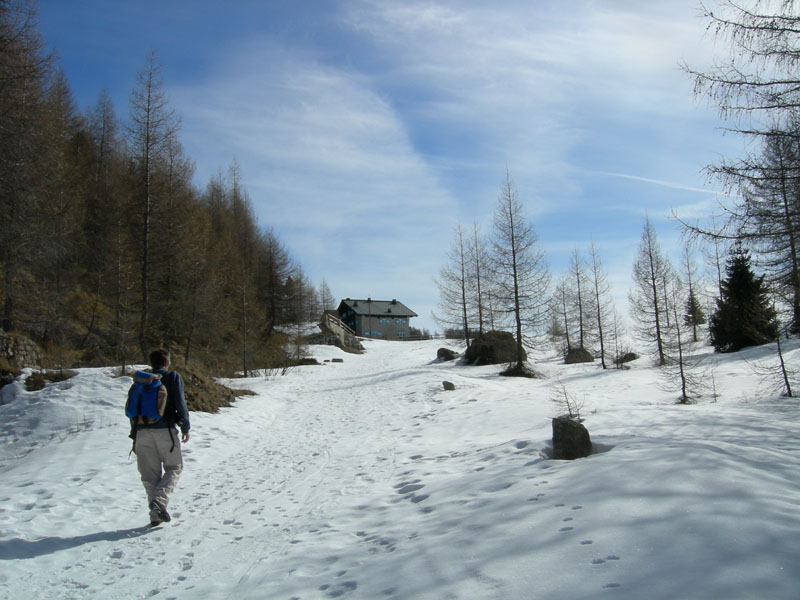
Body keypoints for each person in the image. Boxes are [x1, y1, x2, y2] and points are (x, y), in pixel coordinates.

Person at [130, 348, 191, 527]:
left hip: (141, 432)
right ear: (167, 362)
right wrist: (185, 426)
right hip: (165, 431)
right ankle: (160, 502)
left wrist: (134, 437)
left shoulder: (141, 381)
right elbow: (180, 402)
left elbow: (134, 411)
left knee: (150, 476)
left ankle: (155, 516)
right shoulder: (172, 377)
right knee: (174, 467)